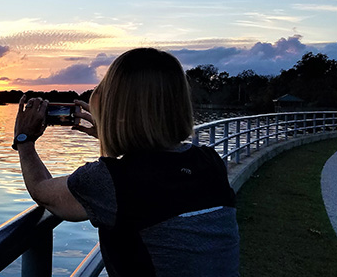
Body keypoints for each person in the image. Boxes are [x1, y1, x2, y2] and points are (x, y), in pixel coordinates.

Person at [12, 47, 239, 277]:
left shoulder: (112, 181)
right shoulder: (210, 163)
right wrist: (113, 136)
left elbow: (41, 190)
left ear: (114, 108)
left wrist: (25, 139)